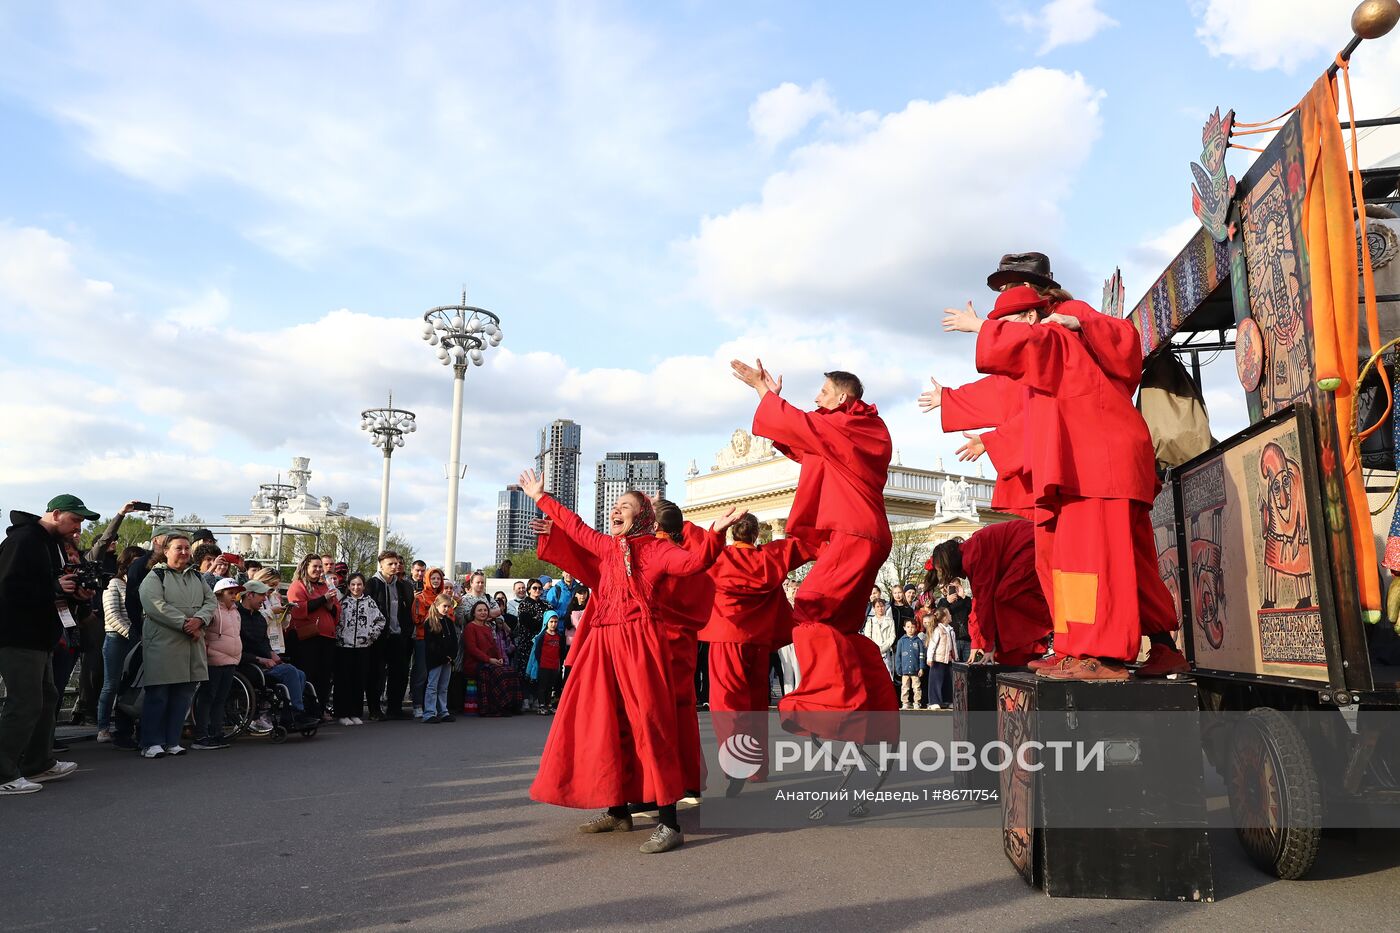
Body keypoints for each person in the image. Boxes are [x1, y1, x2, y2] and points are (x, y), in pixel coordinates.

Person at [932, 283, 1184, 680]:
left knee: (1090, 564)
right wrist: (965, 413)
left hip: (1098, 469)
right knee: (1125, 565)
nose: (1004, 330)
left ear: (1032, 316)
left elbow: (1024, 365)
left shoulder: (1061, 331)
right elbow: (1016, 401)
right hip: (1102, 466)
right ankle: (1154, 648)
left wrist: (979, 326)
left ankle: (1098, 654)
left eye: (1009, 320)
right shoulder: (1064, 342)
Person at [521, 467, 736, 855]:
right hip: (604, 643)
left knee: (650, 724)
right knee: (606, 721)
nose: (615, 511)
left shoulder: (657, 550)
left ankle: (670, 823)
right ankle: (618, 810)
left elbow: (693, 565)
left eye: (625, 506)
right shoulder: (606, 546)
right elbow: (575, 526)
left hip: (640, 643)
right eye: (615, 506)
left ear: (643, 516)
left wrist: (716, 535)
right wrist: (541, 497)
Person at [729, 360, 899, 743]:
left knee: (809, 606)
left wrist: (764, 393)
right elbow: (805, 443)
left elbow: (807, 428)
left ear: (842, 397)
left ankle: (832, 706)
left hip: (853, 533)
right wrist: (773, 401)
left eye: (822, 393)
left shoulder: (855, 424)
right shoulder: (850, 431)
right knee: (839, 628)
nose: (816, 399)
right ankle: (873, 714)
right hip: (862, 534)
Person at [700, 511, 811, 789]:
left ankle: (736, 762)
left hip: (726, 637)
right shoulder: (770, 557)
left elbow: (689, 540)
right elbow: (805, 546)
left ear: (732, 533)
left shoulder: (720, 557)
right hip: (760, 642)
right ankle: (758, 769)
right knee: (756, 705)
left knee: (727, 706)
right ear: (756, 535)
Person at [0, 497, 96, 794]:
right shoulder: (25, 540)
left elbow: (46, 588)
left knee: (46, 697)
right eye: (75, 520)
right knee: (25, 702)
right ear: (56, 514)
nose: (78, 528)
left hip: (38, 636)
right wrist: (55, 588)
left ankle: (37, 764)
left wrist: (73, 595)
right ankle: (4, 774)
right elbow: (7, 586)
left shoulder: (47, 543)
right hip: (16, 636)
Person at [650, 498, 717, 796]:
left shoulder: (655, 556)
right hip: (684, 644)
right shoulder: (685, 556)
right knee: (684, 714)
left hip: (656, 642)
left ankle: (660, 788)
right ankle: (689, 782)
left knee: (656, 717)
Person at [928, 522, 1050, 666]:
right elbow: (978, 604)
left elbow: (983, 603)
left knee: (1006, 594)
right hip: (1029, 543)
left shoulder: (974, 556)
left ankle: (1053, 620)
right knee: (1004, 596)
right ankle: (1031, 644)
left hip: (1032, 543)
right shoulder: (971, 552)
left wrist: (989, 645)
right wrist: (976, 642)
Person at [138, 531, 215, 758]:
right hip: (164, 644)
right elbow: (154, 605)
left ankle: (172, 741)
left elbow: (210, 601)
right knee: (159, 694)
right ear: (166, 551)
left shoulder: (197, 577)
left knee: (183, 695)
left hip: (191, 645)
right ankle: (151, 742)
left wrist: (200, 620)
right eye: (178, 548)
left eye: (186, 548)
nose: (183, 552)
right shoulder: (155, 576)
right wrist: (186, 624)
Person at [237, 580, 317, 730]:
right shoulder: (237, 617)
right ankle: (295, 713)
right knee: (290, 672)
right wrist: (261, 659)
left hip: (265, 662)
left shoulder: (259, 618)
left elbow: (264, 642)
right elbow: (237, 649)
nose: (264, 599)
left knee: (299, 673)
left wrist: (272, 654)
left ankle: (293, 713)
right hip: (248, 665)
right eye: (261, 595)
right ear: (249, 595)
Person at [95, 546, 143, 743]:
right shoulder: (114, 583)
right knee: (111, 684)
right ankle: (103, 727)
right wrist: (132, 634)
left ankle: (127, 727)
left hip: (137, 640)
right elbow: (112, 615)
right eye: (136, 561)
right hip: (117, 638)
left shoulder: (142, 585)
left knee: (131, 685)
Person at [192, 578, 245, 750]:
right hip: (213, 661)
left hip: (231, 661)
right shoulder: (212, 611)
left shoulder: (236, 612)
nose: (234, 596)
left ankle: (216, 732)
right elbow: (202, 632)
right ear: (219, 594)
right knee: (207, 698)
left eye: (235, 593)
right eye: (230, 593)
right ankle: (201, 734)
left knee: (221, 699)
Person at [286, 555, 339, 721]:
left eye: (319, 567)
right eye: (314, 567)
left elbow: (336, 608)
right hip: (307, 639)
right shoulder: (298, 585)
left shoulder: (325, 585)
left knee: (324, 677)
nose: (318, 570)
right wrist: (323, 600)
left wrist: (330, 606)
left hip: (327, 637)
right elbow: (297, 609)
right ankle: (307, 711)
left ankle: (320, 710)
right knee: (310, 675)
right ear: (305, 568)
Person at [367, 550, 415, 721]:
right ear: (381, 565)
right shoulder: (372, 584)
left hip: (398, 635)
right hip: (378, 637)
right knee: (377, 674)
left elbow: (407, 610)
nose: (395, 567)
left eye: (396, 563)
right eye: (390, 564)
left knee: (400, 672)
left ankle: (395, 708)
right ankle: (374, 709)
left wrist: (405, 632)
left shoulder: (403, 586)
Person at [335, 572, 386, 726]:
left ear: (364, 586)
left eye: (359, 584)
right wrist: (340, 635)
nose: (356, 588)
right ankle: (342, 713)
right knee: (344, 681)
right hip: (344, 647)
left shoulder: (369, 602)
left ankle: (355, 712)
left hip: (363, 647)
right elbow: (335, 620)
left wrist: (370, 636)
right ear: (349, 586)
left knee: (359, 680)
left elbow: (380, 620)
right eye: (353, 584)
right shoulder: (343, 602)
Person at [463, 600, 517, 717]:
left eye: (485, 610)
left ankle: (509, 706)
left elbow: (494, 646)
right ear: (474, 613)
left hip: (489, 661)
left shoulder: (488, 627)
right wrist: (489, 660)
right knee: (497, 673)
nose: (483, 613)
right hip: (474, 663)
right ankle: (492, 707)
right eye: (479, 610)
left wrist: (499, 658)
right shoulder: (470, 627)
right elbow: (472, 649)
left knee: (510, 671)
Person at [421, 594, 459, 723]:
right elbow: (431, 644)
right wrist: (443, 656)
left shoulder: (448, 621)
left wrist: (451, 656)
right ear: (437, 605)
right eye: (444, 606)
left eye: (449, 607)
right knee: (432, 686)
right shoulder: (430, 622)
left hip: (447, 660)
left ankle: (443, 711)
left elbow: (454, 640)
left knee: (443, 687)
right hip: (435, 660)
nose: (446, 609)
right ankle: (429, 712)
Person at [527, 610, 566, 713]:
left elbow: (561, 651)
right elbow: (537, 651)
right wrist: (540, 662)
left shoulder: (559, 636)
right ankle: (541, 705)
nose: (553, 624)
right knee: (542, 686)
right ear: (546, 622)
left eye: (555, 622)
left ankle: (548, 704)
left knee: (550, 686)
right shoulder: (542, 636)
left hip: (554, 665)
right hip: (544, 665)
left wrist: (560, 663)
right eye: (551, 621)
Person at [926, 608, 957, 709]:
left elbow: (953, 645)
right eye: (948, 614)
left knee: (948, 681)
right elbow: (932, 644)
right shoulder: (938, 629)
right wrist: (929, 658)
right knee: (936, 681)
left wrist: (955, 657)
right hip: (938, 660)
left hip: (948, 660)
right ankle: (934, 701)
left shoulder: (951, 629)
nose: (950, 615)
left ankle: (947, 700)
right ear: (944, 618)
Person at [936, 583, 974, 663]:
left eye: (957, 587)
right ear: (947, 589)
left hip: (966, 639)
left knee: (968, 665)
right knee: (954, 667)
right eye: (952, 588)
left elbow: (973, 611)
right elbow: (939, 615)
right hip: (952, 639)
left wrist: (964, 596)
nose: (954, 590)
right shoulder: (943, 601)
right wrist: (948, 601)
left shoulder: (965, 600)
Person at [894, 619, 926, 710]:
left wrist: (921, 668)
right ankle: (905, 702)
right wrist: (898, 668)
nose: (910, 629)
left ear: (916, 628)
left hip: (915, 670)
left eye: (912, 627)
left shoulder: (918, 641)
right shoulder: (901, 641)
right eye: (908, 627)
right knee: (905, 687)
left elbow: (922, 655)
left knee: (916, 687)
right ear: (904, 628)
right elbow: (898, 656)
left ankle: (917, 702)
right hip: (904, 670)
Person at [862, 598, 897, 679]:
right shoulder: (870, 621)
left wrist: (883, 648)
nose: (880, 608)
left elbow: (892, 636)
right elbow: (867, 636)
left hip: (886, 652)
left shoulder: (890, 621)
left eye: (882, 606)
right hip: (874, 651)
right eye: (877, 607)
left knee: (888, 675)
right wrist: (876, 648)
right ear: (874, 608)